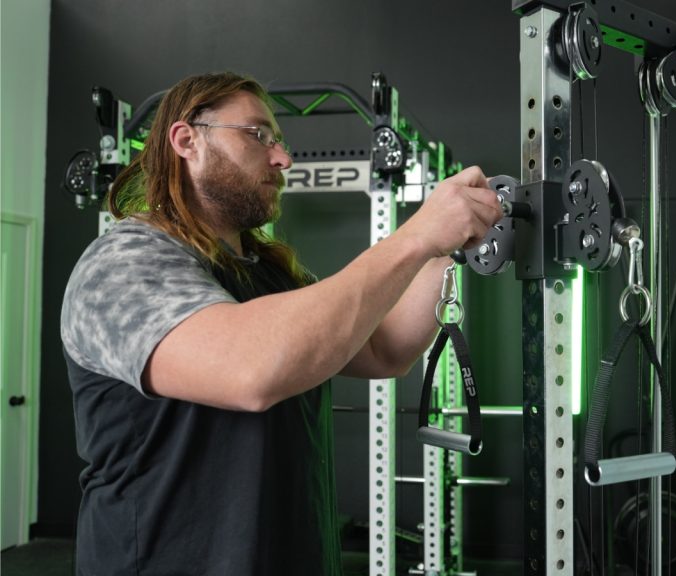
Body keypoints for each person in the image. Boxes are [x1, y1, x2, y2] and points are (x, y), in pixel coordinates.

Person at [60, 71, 502, 576]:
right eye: (258, 135)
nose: (282, 157)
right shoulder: (124, 261)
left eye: (280, 141)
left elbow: (384, 349)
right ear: (187, 140)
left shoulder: (268, 271)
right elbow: (251, 370)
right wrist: (419, 233)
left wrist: (450, 244)